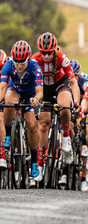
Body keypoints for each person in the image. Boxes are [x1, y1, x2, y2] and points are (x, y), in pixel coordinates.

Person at [31, 32, 79, 181]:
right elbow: (30, 83)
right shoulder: (34, 60)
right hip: (43, 88)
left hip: (60, 84)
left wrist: (76, 102)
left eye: (49, 53)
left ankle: (65, 136)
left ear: (54, 50)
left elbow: (73, 82)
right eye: (43, 52)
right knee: (43, 125)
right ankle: (39, 163)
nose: (46, 56)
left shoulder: (62, 58)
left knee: (65, 107)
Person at [0, 40, 43, 178]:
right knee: (9, 101)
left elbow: (39, 91)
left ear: (28, 59)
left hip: (30, 95)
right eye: (16, 62)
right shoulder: (8, 66)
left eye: (22, 62)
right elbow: (2, 87)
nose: (19, 65)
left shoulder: (35, 67)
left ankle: (34, 162)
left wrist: (37, 99)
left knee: (32, 125)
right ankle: (8, 134)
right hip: (14, 90)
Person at [72, 59, 88, 191]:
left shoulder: (83, 82)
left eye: (76, 75)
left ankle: (83, 178)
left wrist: (82, 113)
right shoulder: (66, 81)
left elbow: (85, 100)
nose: (74, 77)